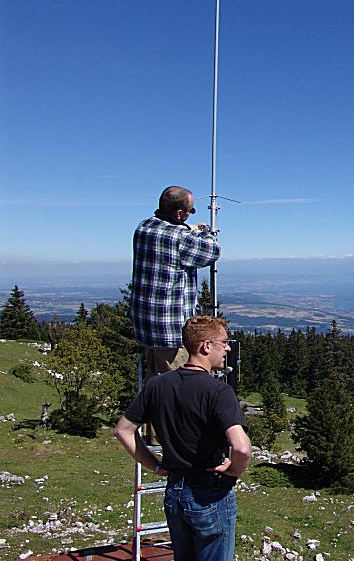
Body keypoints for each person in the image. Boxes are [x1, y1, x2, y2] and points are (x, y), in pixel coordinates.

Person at [115, 316, 252, 561]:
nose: (228, 348)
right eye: (224, 342)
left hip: (174, 493)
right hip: (210, 492)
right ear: (206, 346)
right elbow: (241, 448)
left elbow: (123, 430)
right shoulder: (218, 391)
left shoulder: (157, 385)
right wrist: (233, 472)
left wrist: (155, 466)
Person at [131, 186, 220, 378]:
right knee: (176, 390)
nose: (191, 214)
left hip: (146, 328)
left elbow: (167, 233)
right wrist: (203, 232)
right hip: (170, 332)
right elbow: (212, 251)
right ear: (179, 213)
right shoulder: (180, 237)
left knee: (154, 385)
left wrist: (188, 228)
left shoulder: (143, 228)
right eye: (190, 211)